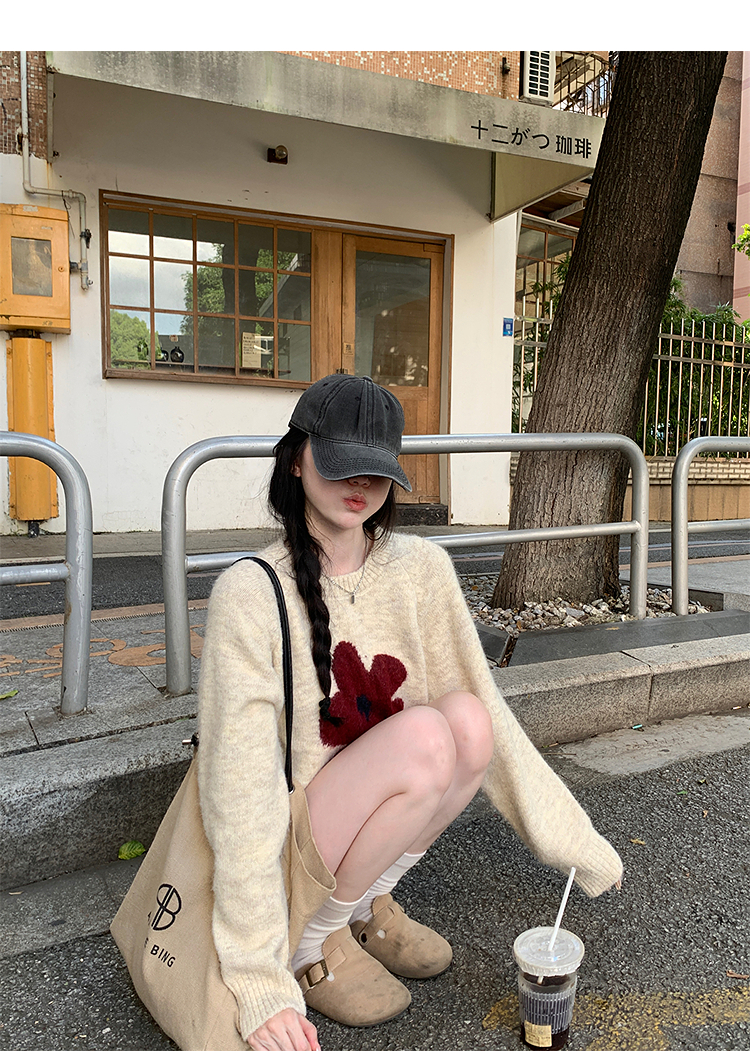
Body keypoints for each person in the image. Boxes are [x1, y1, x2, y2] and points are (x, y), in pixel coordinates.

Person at [197, 374, 623, 1051]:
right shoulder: (249, 593)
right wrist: (257, 973)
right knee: (426, 734)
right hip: (295, 845)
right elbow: (238, 791)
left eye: (376, 467)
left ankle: (365, 904)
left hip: (364, 816)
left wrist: (570, 836)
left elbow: (489, 714)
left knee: (468, 723)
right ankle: (312, 942)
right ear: (296, 459)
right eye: (341, 462)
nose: (360, 483)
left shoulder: (420, 567)